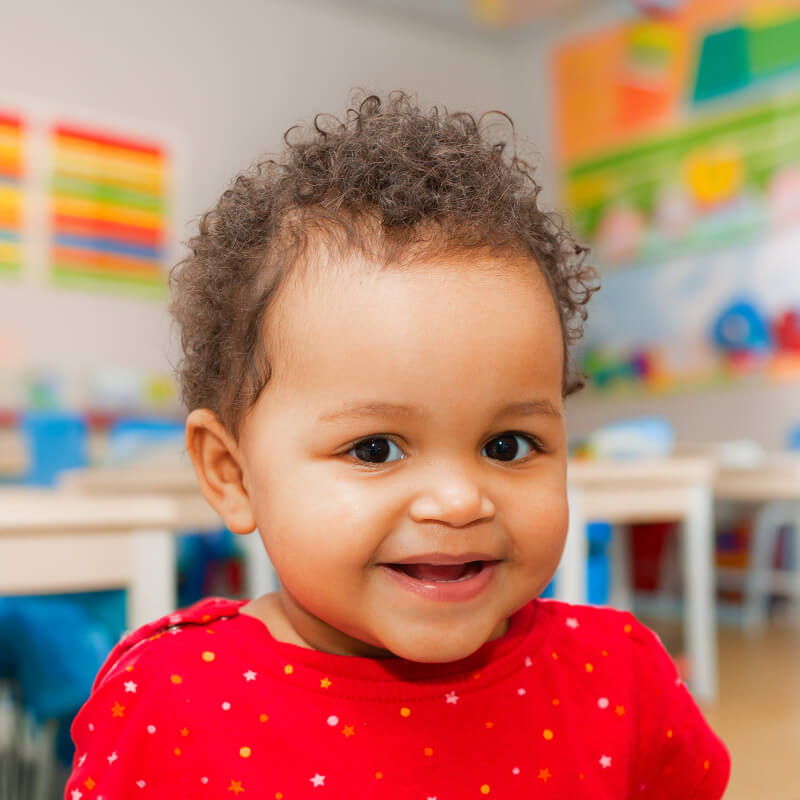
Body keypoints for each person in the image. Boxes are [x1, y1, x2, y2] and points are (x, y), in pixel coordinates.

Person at [65, 91, 729, 799]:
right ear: (232, 473)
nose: (458, 499)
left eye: (507, 444)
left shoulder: (621, 678)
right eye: (375, 448)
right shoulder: (169, 704)